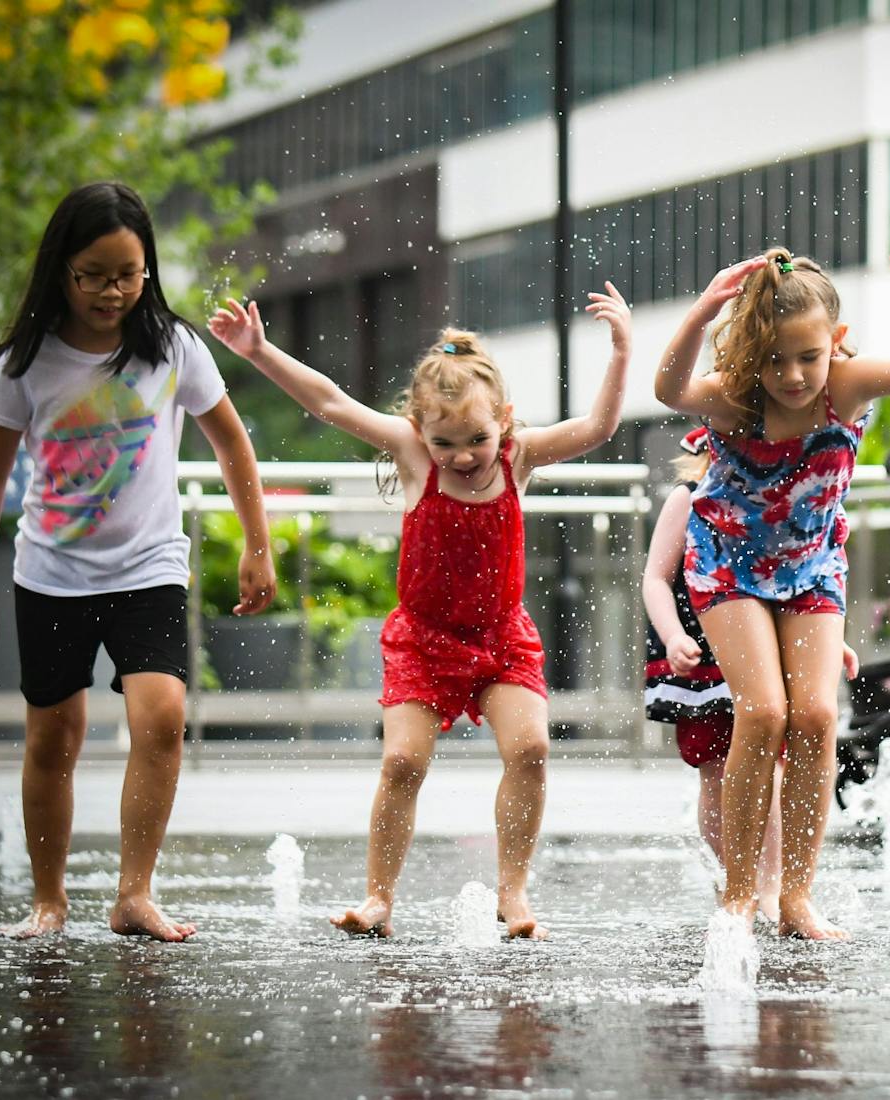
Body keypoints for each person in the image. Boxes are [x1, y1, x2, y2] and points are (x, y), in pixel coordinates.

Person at [208, 281, 633, 939]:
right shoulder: (412, 453)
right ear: (419, 432)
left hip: (500, 639)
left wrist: (621, 350)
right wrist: (259, 352)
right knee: (402, 763)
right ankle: (379, 897)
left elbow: (600, 427)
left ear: (506, 422)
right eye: (445, 443)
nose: (462, 457)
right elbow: (328, 402)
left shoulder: (519, 458)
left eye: (476, 439)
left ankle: (513, 896)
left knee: (532, 750)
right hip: (424, 639)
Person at [0, 181, 277, 941]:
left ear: (148, 270)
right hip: (51, 575)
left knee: (162, 717)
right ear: (60, 270)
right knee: (53, 738)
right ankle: (49, 899)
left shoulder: (171, 346)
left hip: (148, 567)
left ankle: (134, 894)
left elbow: (231, 442)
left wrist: (256, 547)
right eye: (93, 274)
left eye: (128, 274)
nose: (112, 292)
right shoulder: (27, 364)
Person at [655, 247, 890, 940]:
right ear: (754, 354)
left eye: (808, 357)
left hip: (810, 568)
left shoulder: (850, 385)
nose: (794, 376)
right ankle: (741, 895)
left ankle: (797, 897)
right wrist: (702, 312)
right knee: (765, 711)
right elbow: (667, 389)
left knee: (818, 717)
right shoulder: (732, 395)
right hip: (727, 563)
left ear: (834, 343)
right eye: (775, 360)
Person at [640, 428, 860, 921]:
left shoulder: (777, 503)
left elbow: (798, 582)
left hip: (761, 643)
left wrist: (831, 642)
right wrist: (674, 636)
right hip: (702, 652)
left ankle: (772, 885)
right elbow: (656, 575)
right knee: (716, 769)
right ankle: (733, 877)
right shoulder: (689, 498)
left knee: (776, 763)